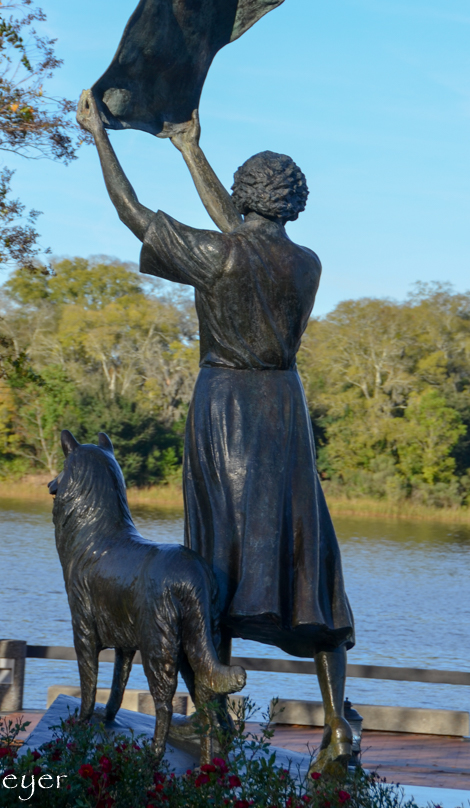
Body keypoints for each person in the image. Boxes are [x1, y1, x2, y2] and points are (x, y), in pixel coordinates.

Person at [76, 89, 355, 775]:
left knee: (217, 557)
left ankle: (214, 729)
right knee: (304, 556)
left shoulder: (220, 257)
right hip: (286, 412)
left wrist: (99, 138)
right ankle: (338, 726)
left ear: (244, 193)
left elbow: (133, 214)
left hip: (227, 408)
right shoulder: (306, 262)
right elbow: (241, 233)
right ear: (294, 202)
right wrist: (189, 146)